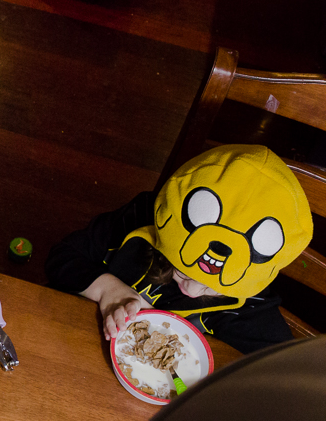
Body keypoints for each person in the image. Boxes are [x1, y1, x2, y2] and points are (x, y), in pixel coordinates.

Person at [45, 144, 313, 354]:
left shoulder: (249, 300)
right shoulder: (143, 218)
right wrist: (108, 289)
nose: (192, 291)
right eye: (183, 273)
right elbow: (62, 258)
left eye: (210, 288)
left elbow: (284, 373)